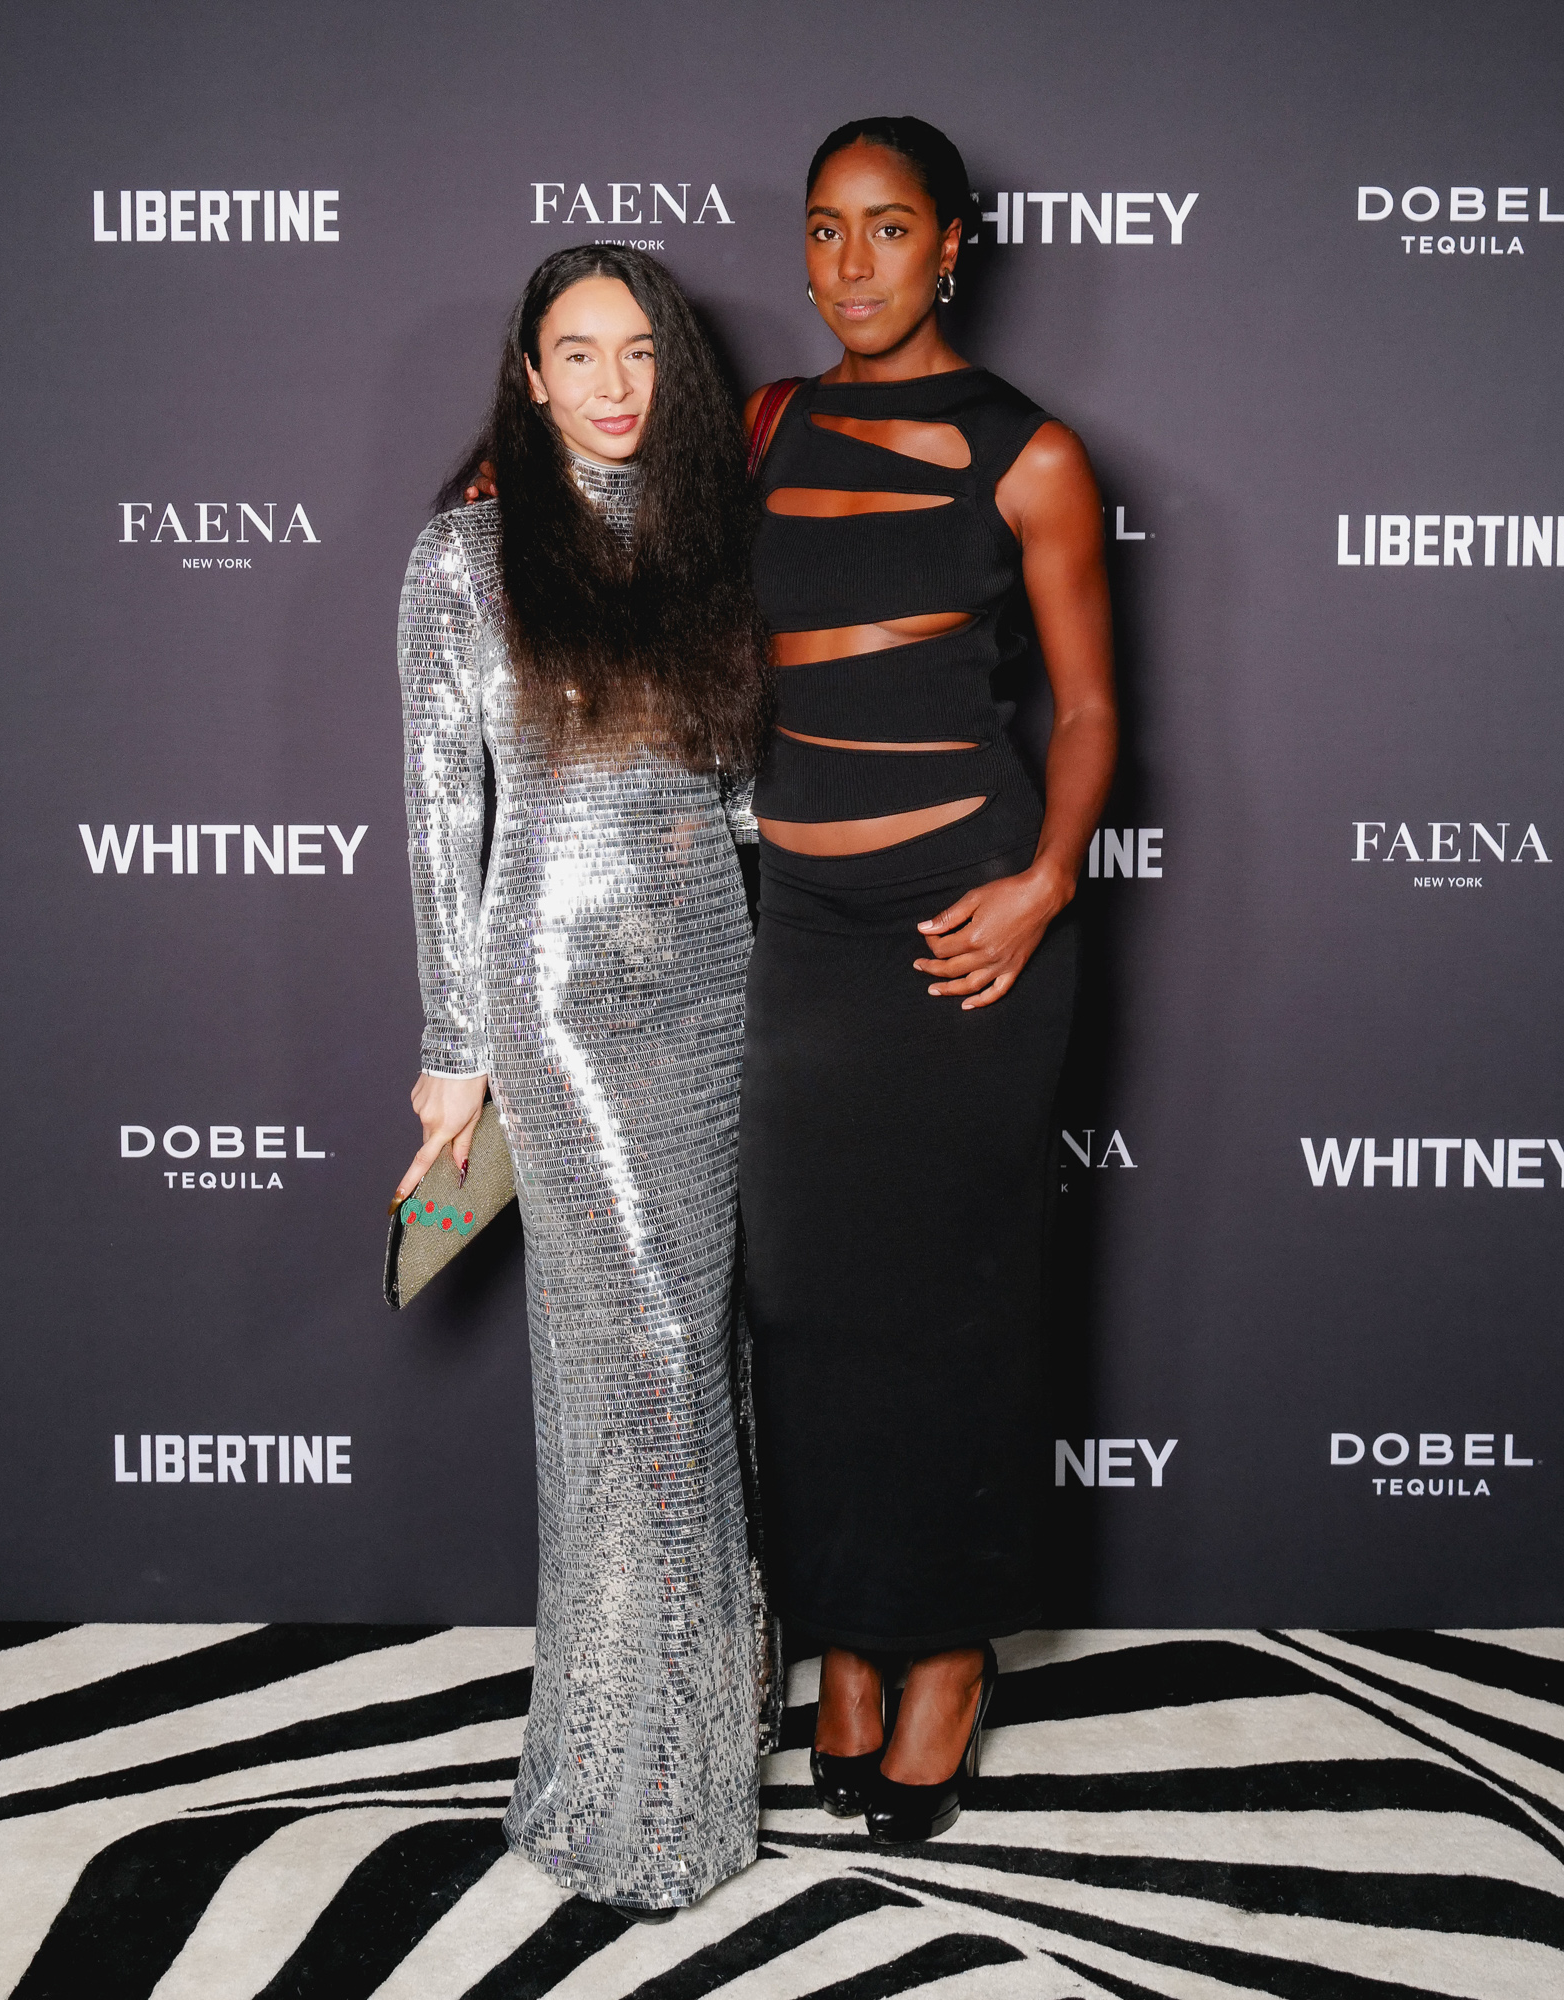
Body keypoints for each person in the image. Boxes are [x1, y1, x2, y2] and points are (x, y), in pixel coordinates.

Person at [739, 117, 1117, 1843]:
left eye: (889, 229)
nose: (852, 264)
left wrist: (1043, 885)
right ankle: (849, 1641)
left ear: (952, 244)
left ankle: (948, 1653)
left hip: (971, 926)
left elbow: (1089, 709)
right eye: (826, 230)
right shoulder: (764, 426)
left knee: (957, 1297)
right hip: (805, 930)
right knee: (811, 1301)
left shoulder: (1031, 454)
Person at [395, 244, 775, 1914]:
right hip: (555, 1001)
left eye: (640, 352)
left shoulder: (706, 542)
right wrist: (450, 1057)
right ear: (530, 376)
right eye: (579, 352)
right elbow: (441, 816)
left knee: (698, 1364)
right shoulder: (465, 557)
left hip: (716, 982)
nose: (614, 384)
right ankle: (640, 1795)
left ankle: (679, 1742)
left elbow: (742, 798)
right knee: (647, 1375)